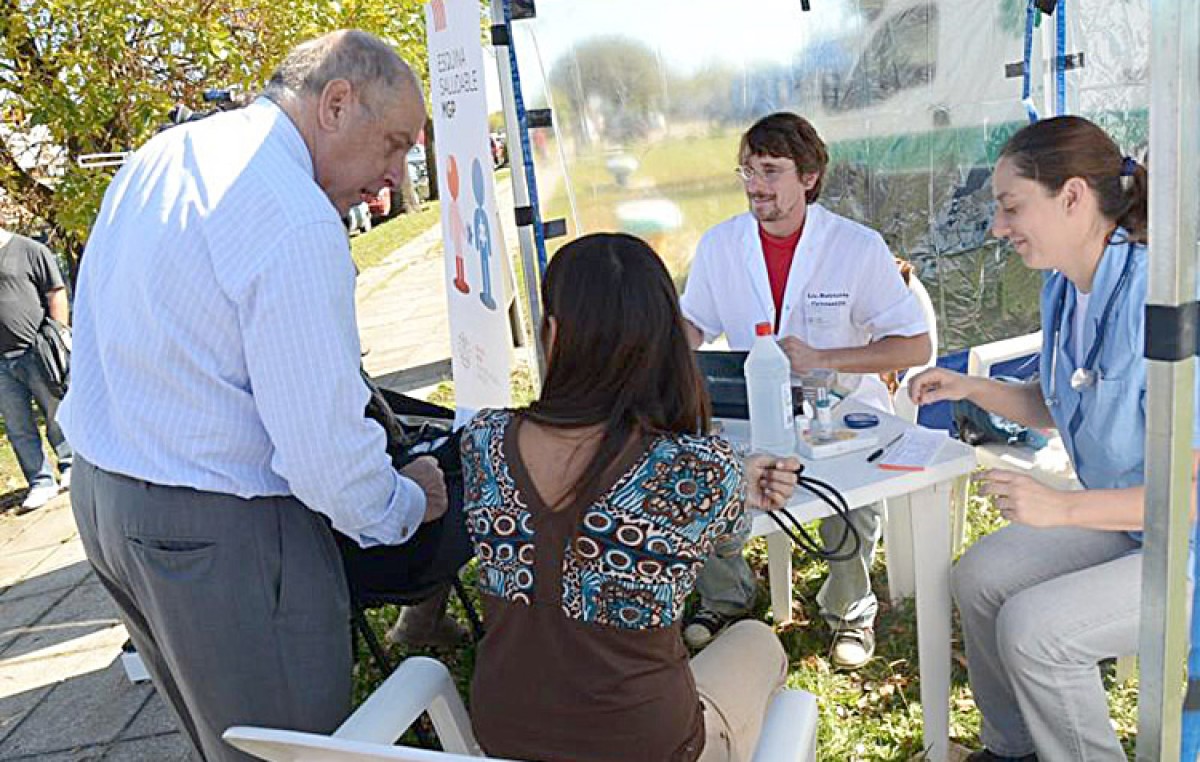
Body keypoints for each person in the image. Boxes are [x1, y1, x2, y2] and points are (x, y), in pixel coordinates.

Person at [59, 31, 448, 762]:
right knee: (291, 749)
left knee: (225, 743)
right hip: (220, 525)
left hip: (109, 495)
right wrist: (404, 502)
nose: (394, 177)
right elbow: (324, 453)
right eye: (393, 144)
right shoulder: (293, 214)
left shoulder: (167, 154)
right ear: (337, 102)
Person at [909, 115, 1200, 762]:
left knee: (1035, 631)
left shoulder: (1166, 297)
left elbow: (1190, 488)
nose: (997, 227)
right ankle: (1014, 750)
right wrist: (972, 390)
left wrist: (1061, 506)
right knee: (980, 577)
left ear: (1072, 197)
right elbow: (1074, 395)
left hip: (1185, 547)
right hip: (1126, 517)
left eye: (1012, 207)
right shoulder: (1066, 288)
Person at [460, 232, 802, 762]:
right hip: (651, 745)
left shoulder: (483, 441)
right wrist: (740, 481)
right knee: (760, 641)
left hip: (504, 737)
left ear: (552, 334)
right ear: (668, 340)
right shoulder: (701, 468)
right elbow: (728, 536)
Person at [679, 112, 931, 668]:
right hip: (752, 410)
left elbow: (913, 345)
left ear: (810, 177)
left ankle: (849, 608)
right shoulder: (721, 245)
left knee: (853, 507)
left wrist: (825, 359)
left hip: (843, 411)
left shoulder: (856, 247)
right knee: (700, 475)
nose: (755, 186)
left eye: (770, 170)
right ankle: (727, 598)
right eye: (746, 170)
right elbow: (692, 326)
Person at [0, 227, 73, 514]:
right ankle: (41, 481)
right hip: (1, 361)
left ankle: (70, 464)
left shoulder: (29, 249)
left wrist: (59, 333)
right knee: (18, 427)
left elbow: (55, 291)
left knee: (56, 412)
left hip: (36, 349)